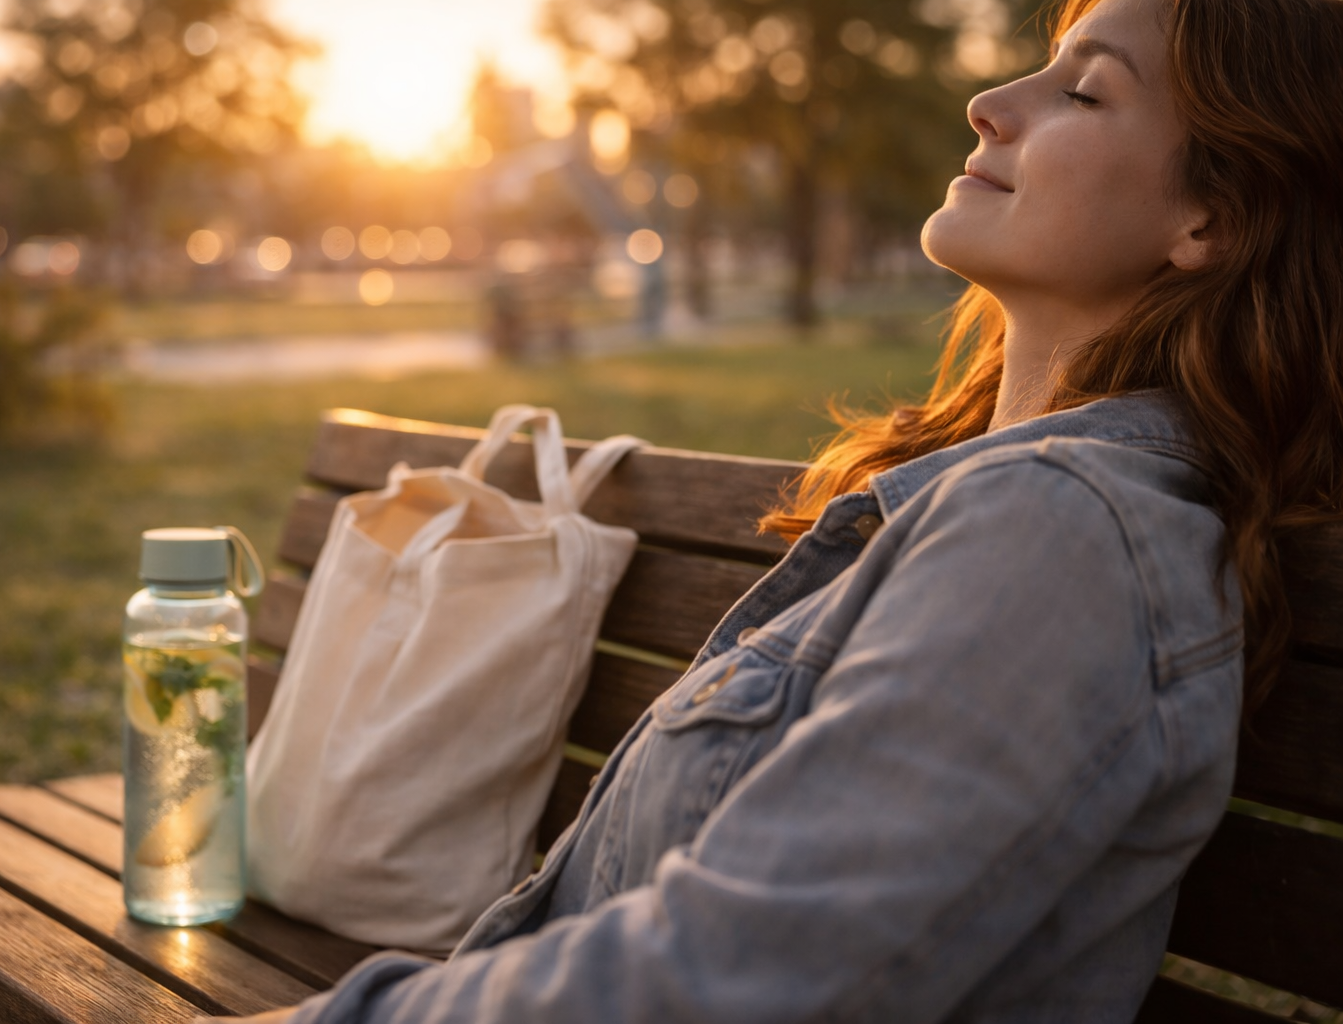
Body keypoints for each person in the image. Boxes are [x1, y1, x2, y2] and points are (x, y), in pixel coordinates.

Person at [205, 0, 1343, 1019]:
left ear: (1212, 219)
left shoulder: (1065, 534)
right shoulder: (1003, 498)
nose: (990, 102)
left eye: (1084, 90)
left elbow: (735, 973)